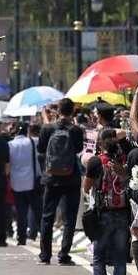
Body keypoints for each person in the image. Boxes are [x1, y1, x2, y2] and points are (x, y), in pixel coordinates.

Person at [82, 128, 131, 275]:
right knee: (119, 259)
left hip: (102, 215)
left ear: (101, 143)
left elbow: (87, 188)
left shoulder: (95, 162)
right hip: (122, 214)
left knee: (99, 257)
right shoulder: (123, 160)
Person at [37, 99, 83, 265]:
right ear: (72, 112)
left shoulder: (47, 128)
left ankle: (45, 255)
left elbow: (41, 149)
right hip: (71, 178)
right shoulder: (76, 130)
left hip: (51, 178)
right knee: (69, 218)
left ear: (57, 110)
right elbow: (78, 149)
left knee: (47, 217)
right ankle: (64, 254)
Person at [7, 121, 40, 246]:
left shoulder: (10, 144)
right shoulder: (32, 142)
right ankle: (41, 234)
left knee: (21, 213)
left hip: (16, 183)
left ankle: (21, 238)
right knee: (37, 211)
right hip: (32, 182)